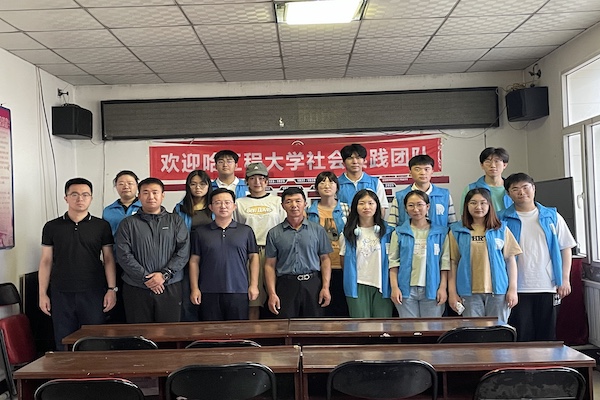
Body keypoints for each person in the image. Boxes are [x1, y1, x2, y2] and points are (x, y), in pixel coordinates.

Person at [38, 178, 116, 350]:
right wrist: (42, 294)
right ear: (66, 198)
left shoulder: (101, 226)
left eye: (85, 194)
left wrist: (112, 289)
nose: (80, 198)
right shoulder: (51, 226)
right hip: (61, 292)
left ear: (91, 198)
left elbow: (108, 259)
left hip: (93, 291)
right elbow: (46, 261)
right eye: (74, 194)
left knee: (95, 340)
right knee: (64, 340)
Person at [499, 173, 577, 341]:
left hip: (547, 285)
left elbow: (566, 248)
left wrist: (565, 279)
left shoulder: (552, 216)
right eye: (515, 189)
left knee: (546, 335)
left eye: (525, 187)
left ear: (533, 189)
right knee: (521, 335)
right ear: (508, 194)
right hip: (515, 288)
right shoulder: (502, 218)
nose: (521, 192)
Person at [115, 177, 189, 323]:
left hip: (170, 286)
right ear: (139, 196)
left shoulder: (175, 221)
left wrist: (164, 275)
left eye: (155, 192)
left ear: (163, 195)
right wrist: (145, 278)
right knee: (140, 332)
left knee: (169, 332)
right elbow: (123, 254)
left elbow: (183, 251)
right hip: (136, 287)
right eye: (146, 192)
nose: (151, 197)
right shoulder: (128, 223)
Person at [448, 188, 521, 323]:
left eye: (483, 203)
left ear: (489, 205)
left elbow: (510, 260)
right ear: (466, 205)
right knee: (474, 332)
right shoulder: (457, 230)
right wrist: (452, 293)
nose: (478, 207)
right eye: (473, 203)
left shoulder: (500, 229)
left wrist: (513, 289)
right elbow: (453, 263)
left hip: (498, 291)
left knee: (498, 331)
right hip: (468, 292)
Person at [189, 188, 259, 320]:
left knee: (238, 330)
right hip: (208, 291)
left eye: (227, 202)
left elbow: (254, 257)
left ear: (234, 206)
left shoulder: (246, 231)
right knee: (211, 330)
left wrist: (253, 285)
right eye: (218, 203)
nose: (223, 206)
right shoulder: (200, 232)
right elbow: (194, 261)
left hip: (239, 290)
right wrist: (195, 288)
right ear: (211, 207)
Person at [264, 187, 332, 318]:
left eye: (298, 201)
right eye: (289, 201)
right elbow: (269, 265)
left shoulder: (318, 230)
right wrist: (272, 293)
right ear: (283, 206)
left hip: (312, 284)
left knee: (314, 326)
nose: (294, 205)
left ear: (305, 204)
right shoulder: (274, 233)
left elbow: (325, 259)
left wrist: (325, 287)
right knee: (285, 326)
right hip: (286, 285)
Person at [233, 162, 285, 319]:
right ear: (246, 181)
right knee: (253, 300)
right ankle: (253, 332)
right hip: (250, 253)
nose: (257, 182)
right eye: (252, 178)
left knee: (277, 296)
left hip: (275, 251)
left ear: (267, 181)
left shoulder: (277, 201)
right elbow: (236, 229)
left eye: (261, 178)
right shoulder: (239, 203)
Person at [389, 190, 450, 317]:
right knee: (409, 327)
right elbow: (393, 263)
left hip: (433, 289)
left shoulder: (441, 233)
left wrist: (443, 288)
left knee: (432, 327)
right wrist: (394, 288)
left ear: (427, 206)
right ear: (405, 209)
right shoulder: (398, 232)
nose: (416, 209)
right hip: (405, 290)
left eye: (419, 204)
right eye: (411, 205)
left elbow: (444, 263)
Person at [339, 189, 394, 318]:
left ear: (377, 206)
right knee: (360, 325)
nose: (366, 207)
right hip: (357, 285)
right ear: (355, 207)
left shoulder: (389, 231)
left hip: (383, 284)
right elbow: (343, 261)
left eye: (370, 203)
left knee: (382, 325)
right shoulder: (347, 233)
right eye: (362, 203)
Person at [306, 171, 349, 317]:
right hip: (318, 266)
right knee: (322, 308)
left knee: (342, 308)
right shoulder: (309, 212)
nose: (326, 185)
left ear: (337, 186)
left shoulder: (347, 209)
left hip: (342, 265)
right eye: (322, 182)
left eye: (331, 182)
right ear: (316, 188)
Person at [102, 170, 142, 323]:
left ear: (137, 186)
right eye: (121, 183)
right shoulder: (108, 211)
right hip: (116, 262)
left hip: (140, 264)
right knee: (117, 303)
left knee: (137, 303)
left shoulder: (145, 207)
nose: (126, 186)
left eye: (130, 183)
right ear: (116, 187)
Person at [173, 170, 213, 321]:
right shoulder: (180, 208)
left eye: (202, 184)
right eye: (193, 184)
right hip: (187, 258)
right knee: (188, 299)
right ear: (188, 186)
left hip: (211, 257)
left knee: (209, 298)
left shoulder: (215, 206)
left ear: (208, 185)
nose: (198, 188)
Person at [387, 154, 456, 228]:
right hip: (408, 235)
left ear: (432, 171)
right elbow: (391, 226)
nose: (422, 173)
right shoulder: (400, 197)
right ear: (410, 172)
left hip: (440, 235)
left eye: (426, 169)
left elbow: (452, 224)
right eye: (417, 169)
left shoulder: (444, 195)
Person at [337, 143, 389, 216]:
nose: (355, 162)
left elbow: (381, 209)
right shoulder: (336, 184)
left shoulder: (375, 183)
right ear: (343, 163)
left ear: (364, 161)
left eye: (358, 158)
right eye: (350, 158)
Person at [462, 147, 513, 213]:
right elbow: (465, 215)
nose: (492, 165)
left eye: (496, 161)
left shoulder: (513, 188)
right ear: (482, 165)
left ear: (504, 165)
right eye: (488, 161)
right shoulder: (470, 189)